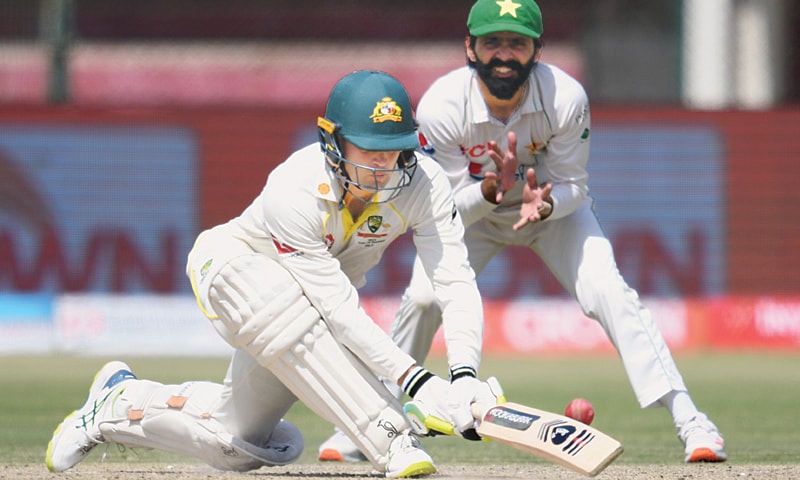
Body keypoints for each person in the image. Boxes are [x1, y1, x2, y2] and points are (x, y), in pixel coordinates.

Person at [319, 0, 727, 465]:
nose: (504, 54)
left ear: (539, 50)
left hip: (550, 212)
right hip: (471, 218)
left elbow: (574, 185)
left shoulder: (566, 98)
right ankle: (369, 422)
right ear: (469, 48)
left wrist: (547, 203)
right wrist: (489, 193)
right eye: (492, 42)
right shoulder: (441, 106)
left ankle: (692, 421)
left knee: (609, 292)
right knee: (425, 298)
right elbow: (440, 207)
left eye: (517, 43)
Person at [45, 70, 500, 478]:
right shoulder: (295, 187)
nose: (383, 166)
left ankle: (114, 403)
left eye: (393, 151)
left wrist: (463, 380)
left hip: (306, 316)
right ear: (332, 141)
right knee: (292, 310)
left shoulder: (425, 183)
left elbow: (454, 282)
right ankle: (391, 438)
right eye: (369, 149)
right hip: (232, 269)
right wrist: (418, 384)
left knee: (233, 442)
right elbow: (338, 311)